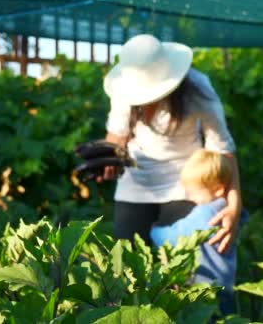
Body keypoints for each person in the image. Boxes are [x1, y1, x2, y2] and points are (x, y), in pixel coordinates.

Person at [100, 33, 242, 255]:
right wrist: (107, 157)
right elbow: (117, 135)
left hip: (186, 184)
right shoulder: (124, 89)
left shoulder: (197, 90)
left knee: (180, 263)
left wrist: (234, 205)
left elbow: (222, 149)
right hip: (136, 183)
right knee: (126, 263)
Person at [150, 149, 248, 315]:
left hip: (204, 287)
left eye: (195, 193)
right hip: (226, 285)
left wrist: (155, 231)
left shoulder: (205, 214)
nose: (191, 198)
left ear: (218, 190)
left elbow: (173, 237)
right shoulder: (228, 212)